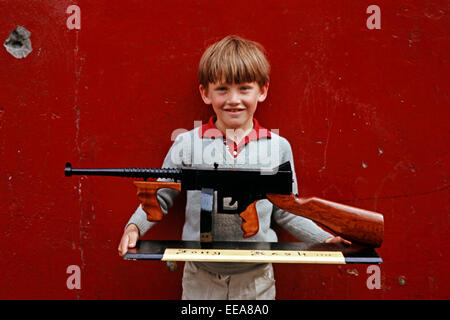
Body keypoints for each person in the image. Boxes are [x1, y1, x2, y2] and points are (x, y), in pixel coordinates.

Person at [118, 35, 349, 300]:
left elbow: (288, 209)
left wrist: (324, 239)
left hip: (256, 278)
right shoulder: (186, 143)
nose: (233, 99)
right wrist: (133, 227)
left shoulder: (278, 147)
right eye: (222, 89)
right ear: (205, 93)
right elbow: (160, 195)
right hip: (200, 278)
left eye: (244, 88)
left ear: (262, 90)